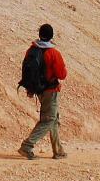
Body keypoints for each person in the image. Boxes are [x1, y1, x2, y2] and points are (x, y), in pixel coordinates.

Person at [17, 23, 67, 160]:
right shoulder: (53, 53)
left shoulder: (32, 50)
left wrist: (30, 89)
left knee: (53, 119)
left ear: (39, 34)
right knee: (48, 120)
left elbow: (27, 71)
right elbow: (62, 74)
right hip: (51, 90)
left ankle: (58, 151)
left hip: (39, 90)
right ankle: (27, 146)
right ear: (51, 36)